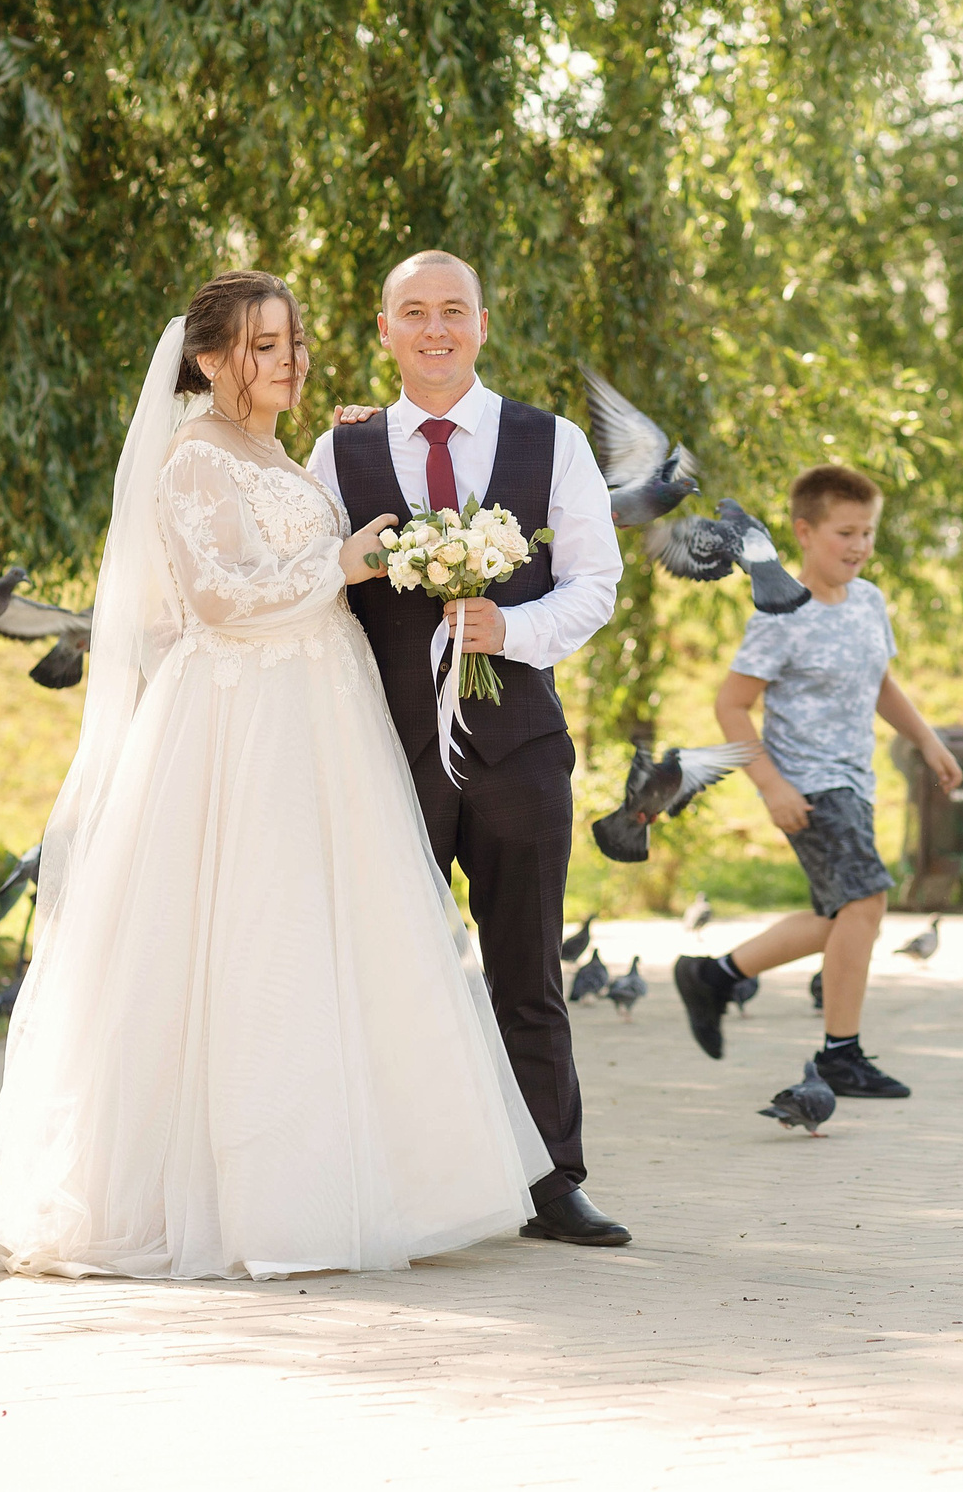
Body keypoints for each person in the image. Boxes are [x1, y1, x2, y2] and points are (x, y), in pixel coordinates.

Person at [0, 270, 552, 1279]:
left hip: (318, 715)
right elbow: (218, 598)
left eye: (291, 341)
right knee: (243, 940)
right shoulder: (192, 458)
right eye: (262, 346)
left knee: (324, 939)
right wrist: (345, 564)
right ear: (208, 359)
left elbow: (287, 535)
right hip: (241, 725)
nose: (287, 360)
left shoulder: (272, 448)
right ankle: (242, 1199)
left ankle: (354, 1178)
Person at [306, 250, 631, 1249]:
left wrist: (514, 631)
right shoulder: (339, 451)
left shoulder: (553, 442)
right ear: (384, 329)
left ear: (482, 325)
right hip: (384, 749)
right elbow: (307, 579)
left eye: (453, 311)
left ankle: (551, 1184)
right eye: (415, 313)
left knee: (527, 968)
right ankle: (388, 1180)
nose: (435, 329)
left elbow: (596, 581)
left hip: (520, 746)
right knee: (382, 971)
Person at [673, 465, 963, 1097]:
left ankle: (717, 976)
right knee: (866, 902)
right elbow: (731, 705)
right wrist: (771, 785)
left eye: (867, 532)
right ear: (804, 533)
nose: (859, 545)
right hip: (807, 783)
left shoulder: (869, 601)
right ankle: (839, 1053)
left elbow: (879, 682)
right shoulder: (780, 614)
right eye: (845, 532)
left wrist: (927, 740)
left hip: (854, 781)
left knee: (844, 914)